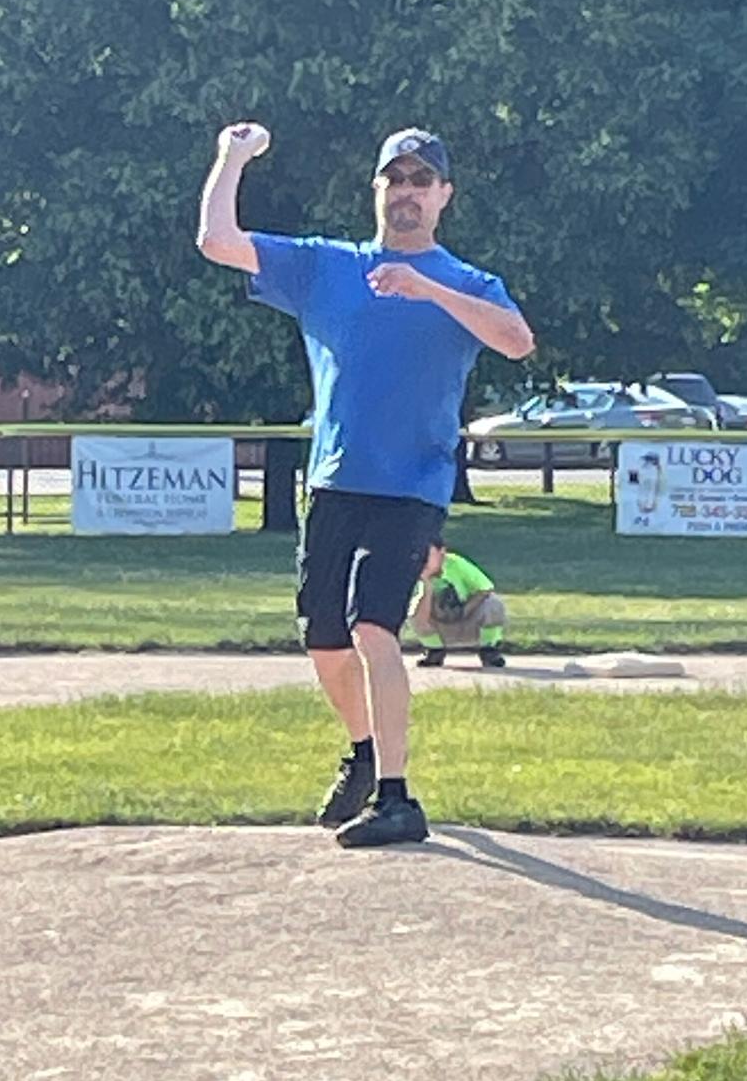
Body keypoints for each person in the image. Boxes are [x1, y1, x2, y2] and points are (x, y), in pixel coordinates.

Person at [197, 122, 534, 847]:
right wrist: (233, 157)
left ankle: (398, 798)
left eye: (422, 180)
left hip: (412, 486)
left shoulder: (469, 282)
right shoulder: (328, 267)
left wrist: (426, 288)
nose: (406, 192)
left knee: (373, 627)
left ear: (444, 195)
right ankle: (362, 753)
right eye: (395, 178)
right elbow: (218, 241)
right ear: (376, 188)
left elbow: (516, 339)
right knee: (323, 638)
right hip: (336, 481)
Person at [408, 538, 507, 668]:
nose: (423, 559)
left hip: (469, 621)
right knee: (413, 612)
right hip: (439, 626)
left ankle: (489, 649)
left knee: (493, 604)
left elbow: (485, 588)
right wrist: (426, 584)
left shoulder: (456, 564)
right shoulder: (412, 572)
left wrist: (464, 611)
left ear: (441, 552)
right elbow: (419, 615)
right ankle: (434, 650)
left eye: (428, 554)